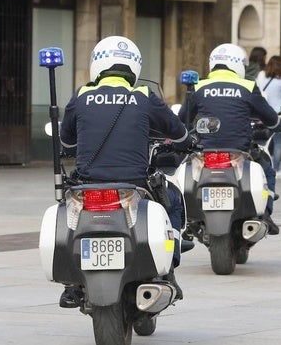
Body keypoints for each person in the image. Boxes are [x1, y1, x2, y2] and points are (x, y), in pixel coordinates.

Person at [59, 35, 193, 303]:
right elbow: (178, 134)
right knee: (175, 201)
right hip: (134, 184)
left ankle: (72, 282)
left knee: (67, 213)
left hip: (88, 185)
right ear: (134, 68)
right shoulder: (144, 96)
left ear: (97, 65)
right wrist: (187, 142)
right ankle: (170, 266)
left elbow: (66, 141)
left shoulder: (81, 96)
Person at [177, 43, 281, 235]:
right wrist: (278, 124)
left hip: (205, 151)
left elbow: (183, 118)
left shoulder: (198, 86)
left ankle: (188, 216)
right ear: (239, 65)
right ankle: (266, 213)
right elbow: (269, 117)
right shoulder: (248, 86)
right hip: (240, 150)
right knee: (267, 169)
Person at [256, 55, 281, 179]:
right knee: (278, 142)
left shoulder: (261, 75)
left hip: (264, 112)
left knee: (264, 141)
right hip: (279, 113)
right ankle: (276, 169)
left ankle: (264, 166)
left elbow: (256, 90)